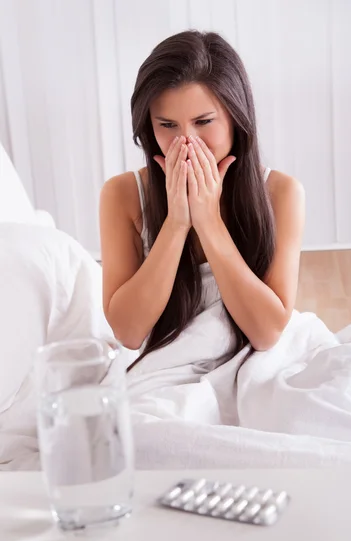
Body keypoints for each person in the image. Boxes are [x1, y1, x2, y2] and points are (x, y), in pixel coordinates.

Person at [99, 30, 305, 369]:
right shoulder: (122, 195)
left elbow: (266, 334)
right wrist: (177, 222)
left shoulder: (281, 193)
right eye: (167, 124)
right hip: (166, 366)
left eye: (203, 122)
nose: (187, 142)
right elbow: (129, 333)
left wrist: (208, 220)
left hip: (258, 363)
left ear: (237, 118)